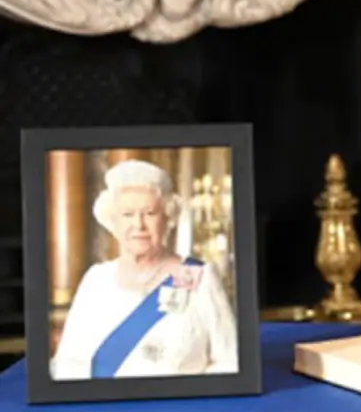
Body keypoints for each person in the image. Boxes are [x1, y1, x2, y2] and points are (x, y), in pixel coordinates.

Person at [51, 159, 238, 380]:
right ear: (114, 222)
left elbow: (229, 362)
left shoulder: (200, 277)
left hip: (180, 410)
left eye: (150, 213)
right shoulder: (96, 280)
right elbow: (69, 362)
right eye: (127, 215)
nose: (138, 225)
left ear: (167, 218)